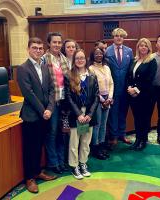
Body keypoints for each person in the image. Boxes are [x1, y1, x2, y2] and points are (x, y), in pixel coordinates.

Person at [17, 37, 57, 193]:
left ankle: (38, 171)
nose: (38, 51)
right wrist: (43, 111)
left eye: (40, 48)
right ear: (28, 49)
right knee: (30, 148)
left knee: (40, 145)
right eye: (35, 48)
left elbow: (53, 90)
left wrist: (50, 109)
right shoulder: (23, 68)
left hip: (46, 114)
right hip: (31, 116)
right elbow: (29, 93)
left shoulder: (46, 66)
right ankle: (29, 178)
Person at [65, 49, 99, 179]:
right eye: (77, 58)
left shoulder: (92, 75)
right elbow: (68, 97)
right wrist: (79, 114)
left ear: (86, 60)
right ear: (74, 60)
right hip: (76, 113)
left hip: (89, 113)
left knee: (86, 141)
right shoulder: (69, 76)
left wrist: (90, 114)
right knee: (74, 141)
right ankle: (74, 166)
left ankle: (83, 163)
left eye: (82, 58)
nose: (80, 60)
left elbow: (96, 96)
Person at [42, 32, 70, 174]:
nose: (57, 45)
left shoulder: (64, 59)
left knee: (62, 133)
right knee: (52, 133)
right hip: (51, 103)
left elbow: (68, 80)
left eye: (59, 42)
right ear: (49, 43)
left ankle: (61, 160)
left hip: (63, 102)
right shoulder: (44, 59)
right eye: (54, 42)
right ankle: (53, 163)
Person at [127, 38, 157, 151]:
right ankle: (137, 140)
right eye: (141, 45)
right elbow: (129, 76)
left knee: (144, 118)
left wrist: (136, 90)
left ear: (149, 48)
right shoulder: (134, 60)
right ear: (138, 47)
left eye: (145, 46)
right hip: (133, 96)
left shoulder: (152, 61)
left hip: (146, 95)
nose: (143, 47)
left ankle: (143, 141)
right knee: (137, 118)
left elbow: (149, 79)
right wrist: (129, 87)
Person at [105, 28, 133, 146]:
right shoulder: (107, 51)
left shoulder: (129, 51)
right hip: (113, 88)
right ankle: (114, 136)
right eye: (117, 35)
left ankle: (122, 134)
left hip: (125, 88)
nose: (119, 38)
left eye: (121, 36)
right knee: (113, 114)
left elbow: (131, 70)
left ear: (124, 37)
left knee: (123, 112)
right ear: (113, 37)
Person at [89, 48, 114, 160]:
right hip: (97, 100)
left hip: (107, 98)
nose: (99, 55)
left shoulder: (107, 67)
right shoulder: (90, 69)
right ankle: (95, 148)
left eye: (100, 53)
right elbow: (92, 88)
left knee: (104, 124)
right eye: (96, 54)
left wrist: (109, 98)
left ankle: (102, 146)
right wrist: (102, 100)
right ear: (92, 56)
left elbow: (111, 83)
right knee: (97, 125)